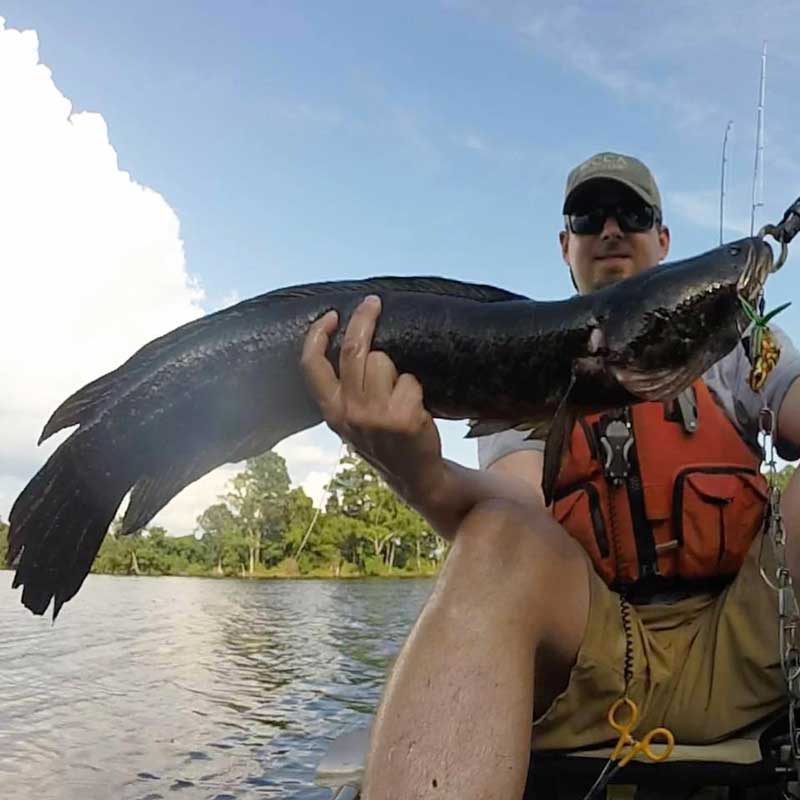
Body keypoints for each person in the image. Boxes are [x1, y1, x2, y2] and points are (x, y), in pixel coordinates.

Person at [300, 152, 800, 800]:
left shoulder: (739, 342)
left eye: (634, 214)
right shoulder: (527, 367)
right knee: (498, 536)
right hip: (594, 664)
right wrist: (416, 473)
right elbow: (514, 497)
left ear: (664, 239)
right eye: (589, 217)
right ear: (566, 245)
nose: (612, 230)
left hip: (743, 646)